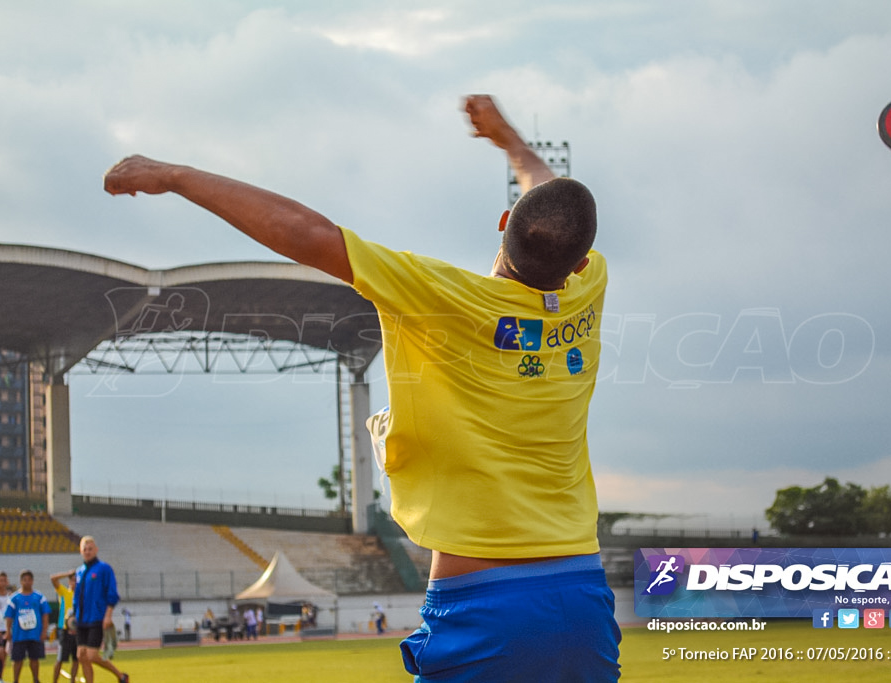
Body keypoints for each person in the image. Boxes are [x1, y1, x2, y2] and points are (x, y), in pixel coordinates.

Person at [104, 93, 621, 681]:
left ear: (505, 223)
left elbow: (305, 232)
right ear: (580, 262)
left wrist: (174, 175)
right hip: (582, 592)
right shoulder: (589, 286)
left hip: (484, 604)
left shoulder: (439, 293)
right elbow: (553, 200)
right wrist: (512, 144)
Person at [73, 536, 129, 683]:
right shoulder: (79, 572)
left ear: (96, 550)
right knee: (81, 656)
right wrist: (73, 615)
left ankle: (121, 676)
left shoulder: (104, 568)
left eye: (90, 549)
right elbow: (77, 596)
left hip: (97, 618)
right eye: (84, 549)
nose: (87, 551)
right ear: (80, 551)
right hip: (81, 620)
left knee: (91, 655)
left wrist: (108, 615)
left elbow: (112, 593)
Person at [3, 570, 51, 683]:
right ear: (21, 581)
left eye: (29, 580)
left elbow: (45, 614)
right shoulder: (14, 598)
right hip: (19, 635)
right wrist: (8, 631)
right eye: (25, 580)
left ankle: (36, 679)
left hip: (35, 634)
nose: (27, 582)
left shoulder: (39, 597)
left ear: (32, 581)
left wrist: (44, 631)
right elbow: (9, 616)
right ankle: (15, 680)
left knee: (34, 659)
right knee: (17, 659)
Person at [50, 570, 80, 683]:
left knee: (76, 659)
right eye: (72, 580)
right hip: (65, 630)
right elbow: (53, 578)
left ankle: (72, 680)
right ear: (69, 581)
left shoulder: (81, 596)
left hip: (77, 631)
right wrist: (67, 574)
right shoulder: (64, 593)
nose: (75, 582)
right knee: (60, 658)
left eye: (77, 581)